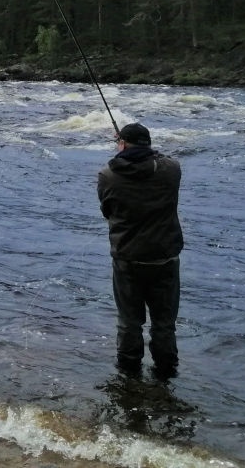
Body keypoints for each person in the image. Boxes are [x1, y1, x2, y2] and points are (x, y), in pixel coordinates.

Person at [97, 122, 183, 378]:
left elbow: (107, 211)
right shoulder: (171, 170)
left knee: (129, 322)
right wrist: (128, 145)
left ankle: (128, 373)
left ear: (122, 144)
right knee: (164, 323)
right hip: (164, 258)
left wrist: (121, 148)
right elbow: (162, 158)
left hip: (127, 259)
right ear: (148, 144)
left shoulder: (108, 175)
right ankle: (166, 374)